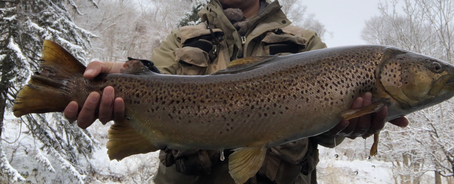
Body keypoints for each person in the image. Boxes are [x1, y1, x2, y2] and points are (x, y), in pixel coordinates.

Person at [64, 0, 409, 183]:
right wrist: (115, 76)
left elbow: (326, 132)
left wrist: (351, 125)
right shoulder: (181, 40)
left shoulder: (306, 44)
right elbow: (153, 83)